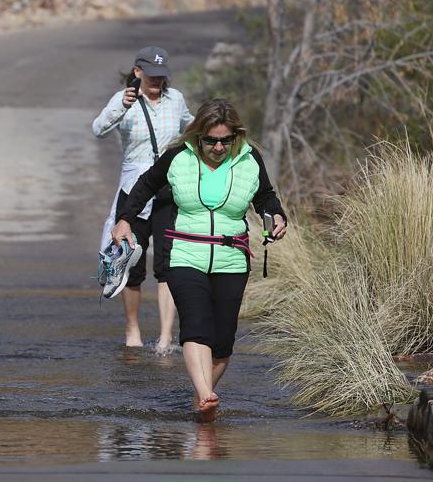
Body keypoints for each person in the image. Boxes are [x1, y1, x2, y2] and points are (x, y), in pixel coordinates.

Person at [111, 98, 287, 422]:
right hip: (185, 254)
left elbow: (265, 197)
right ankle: (207, 395)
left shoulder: (250, 159)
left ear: (236, 136)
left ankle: (200, 397)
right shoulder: (179, 157)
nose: (218, 147)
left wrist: (276, 216)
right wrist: (124, 219)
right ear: (198, 136)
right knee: (196, 327)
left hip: (232, 259)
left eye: (225, 140)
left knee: (222, 343)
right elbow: (145, 185)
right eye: (211, 140)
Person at [92, 46, 194, 352]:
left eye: (162, 76)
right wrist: (120, 107)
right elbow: (98, 129)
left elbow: (190, 126)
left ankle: (165, 337)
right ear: (138, 72)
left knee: (167, 262)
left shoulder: (175, 98)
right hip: (133, 188)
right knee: (131, 260)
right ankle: (132, 330)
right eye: (151, 75)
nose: (157, 81)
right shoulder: (125, 99)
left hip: (167, 188)